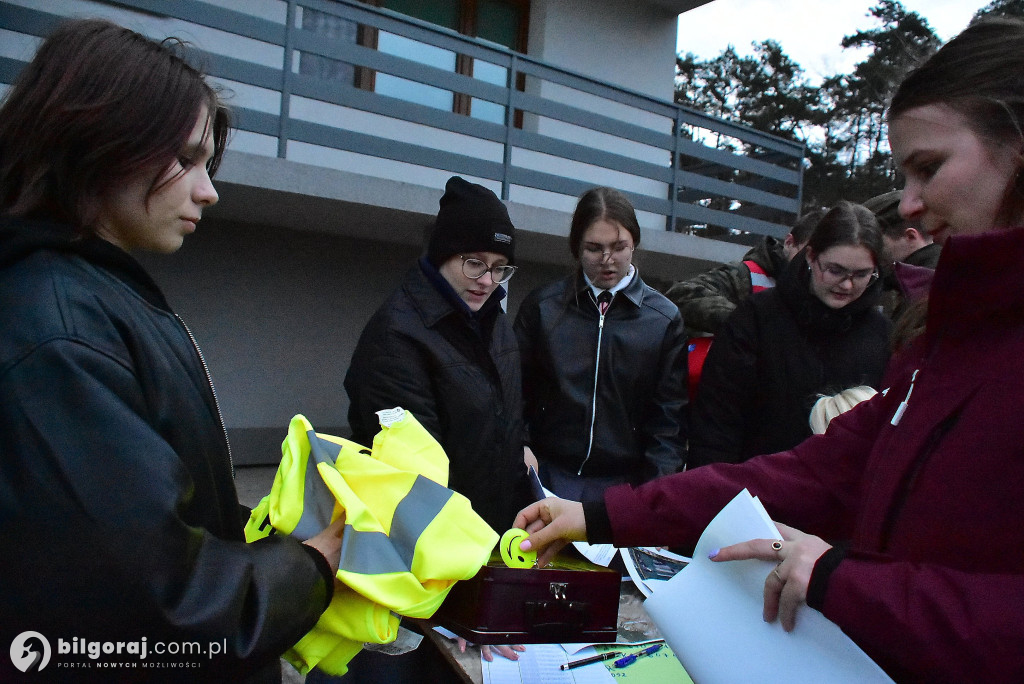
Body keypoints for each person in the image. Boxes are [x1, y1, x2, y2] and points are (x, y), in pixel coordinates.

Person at [512, 18, 1024, 683]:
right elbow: (797, 475)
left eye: (928, 168)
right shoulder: (938, 349)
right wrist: (598, 515)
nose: (911, 205)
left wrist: (841, 578)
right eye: (903, 174)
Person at [0, 19, 343, 682]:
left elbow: (159, 516)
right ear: (99, 142)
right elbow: (155, 607)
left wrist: (264, 535)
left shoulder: (94, 297)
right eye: (185, 159)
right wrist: (309, 568)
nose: (208, 190)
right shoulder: (57, 330)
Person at [340, 176, 533, 676]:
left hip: (470, 558)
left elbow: (503, 430)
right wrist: (467, 604)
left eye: (499, 268)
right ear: (442, 254)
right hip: (407, 579)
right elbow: (414, 493)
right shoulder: (397, 337)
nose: (487, 280)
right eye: (473, 263)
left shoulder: (492, 323)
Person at [513, 187, 687, 501]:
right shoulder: (542, 307)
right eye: (594, 248)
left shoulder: (663, 319)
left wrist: (656, 499)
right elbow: (513, 391)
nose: (607, 261)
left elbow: (668, 423)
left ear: (634, 242)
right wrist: (520, 445)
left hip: (624, 486)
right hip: (545, 473)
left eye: (618, 247)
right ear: (576, 247)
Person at [688, 200, 891, 468]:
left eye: (862, 274)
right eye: (835, 270)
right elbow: (716, 425)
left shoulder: (883, 335)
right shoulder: (756, 319)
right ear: (810, 257)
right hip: (755, 490)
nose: (847, 284)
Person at [663, 208, 825, 338]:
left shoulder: (827, 292)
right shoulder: (746, 276)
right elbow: (681, 295)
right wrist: (750, 323)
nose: (813, 265)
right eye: (808, 255)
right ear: (789, 243)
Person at [864, 189, 941, 319]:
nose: (870, 253)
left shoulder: (926, 293)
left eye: (876, 244)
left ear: (910, 237)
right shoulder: (941, 277)